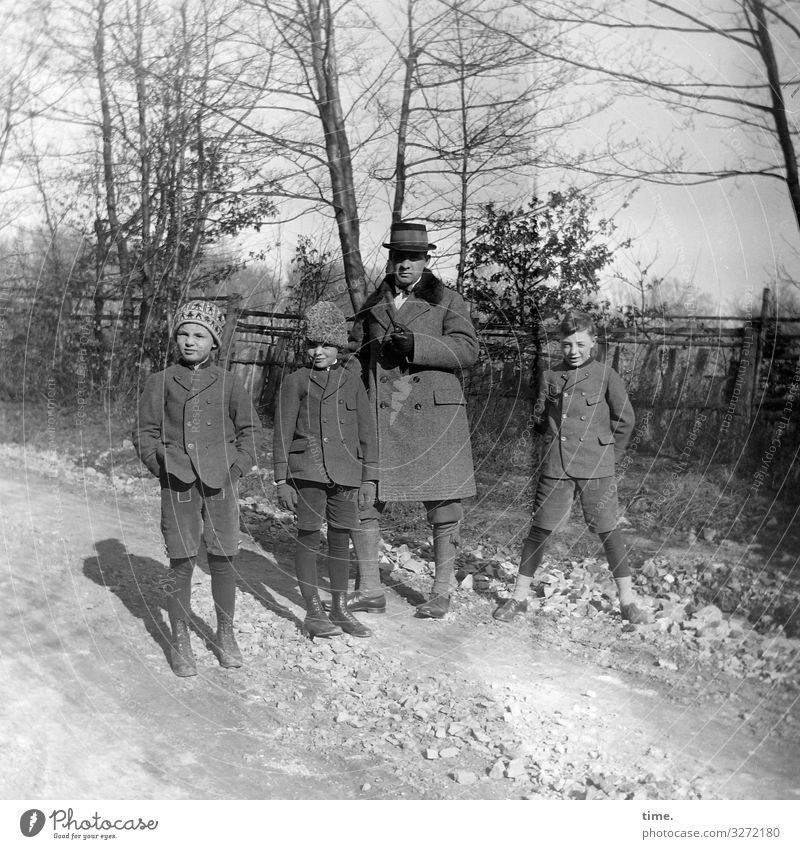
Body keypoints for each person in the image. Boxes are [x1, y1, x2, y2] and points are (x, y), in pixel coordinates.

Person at [348, 221, 479, 619]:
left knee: (443, 505)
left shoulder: (448, 301)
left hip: (434, 420)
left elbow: (468, 350)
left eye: (413, 257)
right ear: (390, 258)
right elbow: (356, 351)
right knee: (366, 498)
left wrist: (419, 345)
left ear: (426, 259)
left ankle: (441, 592)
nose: (405, 264)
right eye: (398, 256)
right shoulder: (373, 305)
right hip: (383, 414)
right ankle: (370, 589)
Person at [133, 299, 263, 677]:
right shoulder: (160, 382)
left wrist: (236, 468)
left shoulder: (229, 382)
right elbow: (144, 433)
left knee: (223, 557)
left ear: (214, 342)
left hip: (221, 482)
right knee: (182, 559)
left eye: (199, 335)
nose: (190, 342)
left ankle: (225, 634)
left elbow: (249, 431)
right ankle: (180, 640)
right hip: (178, 484)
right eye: (184, 334)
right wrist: (163, 467)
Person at [493, 309, 648, 624]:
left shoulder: (606, 375)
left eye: (580, 344)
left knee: (609, 533)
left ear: (593, 342)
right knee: (539, 531)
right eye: (566, 345)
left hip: (597, 468)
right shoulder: (551, 376)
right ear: (559, 345)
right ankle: (518, 598)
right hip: (556, 465)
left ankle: (628, 603)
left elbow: (625, 419)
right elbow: (540, 417)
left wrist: (609, 457)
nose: (573, 352)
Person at [273, 301, 378, 639]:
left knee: (339, 539)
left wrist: (370, 477)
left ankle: (340, 607)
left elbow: (367, 432)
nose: (317, 351)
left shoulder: (352, 383)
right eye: (311, 344)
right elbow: (282, 432)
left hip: (346, 475)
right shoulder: (296, 381)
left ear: (339, 346)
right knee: (307, 537)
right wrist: (281, 480)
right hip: (307, 473)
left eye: (325, 345)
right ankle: (313, 609)